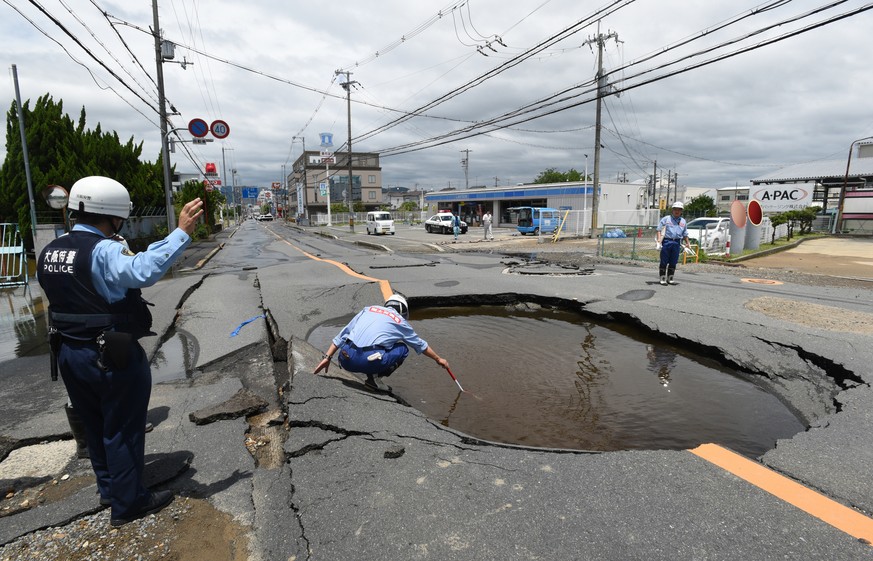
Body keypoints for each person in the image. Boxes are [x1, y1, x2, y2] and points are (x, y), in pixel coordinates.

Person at [38, 176, 204, 527]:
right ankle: (129, 504)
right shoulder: (104, 250)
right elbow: (143, 270)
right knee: (123, 427)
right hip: (110, 352)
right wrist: (181, 232)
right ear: (114, 215)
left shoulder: (52, 250)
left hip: (69, 352)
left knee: (95, 425)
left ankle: (110, 489)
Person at [313, 293, 450, 389]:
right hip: (367, 361)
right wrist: (438, 359)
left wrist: (327, 357)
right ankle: (374, 379)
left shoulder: (368, 309)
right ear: (404, 311)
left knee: (374, 344)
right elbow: (420, 345)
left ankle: (371, 372)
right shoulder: (400, 321)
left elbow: (343, 334)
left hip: (345, 358)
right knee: (403, 348)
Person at [656, 201, 692, 285]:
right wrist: (659, 240)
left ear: (681, 211)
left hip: (677, 242)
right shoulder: (666, 219)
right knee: (664, 261)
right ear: (672, 210)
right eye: (675, 209)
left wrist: (687, 243)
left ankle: (670, 278)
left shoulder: (683, 221)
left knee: (673, 261)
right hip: (667, 241)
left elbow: (685, 234)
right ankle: (662, 279)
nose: (677, 211)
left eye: (679, 209)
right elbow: (658, 229)